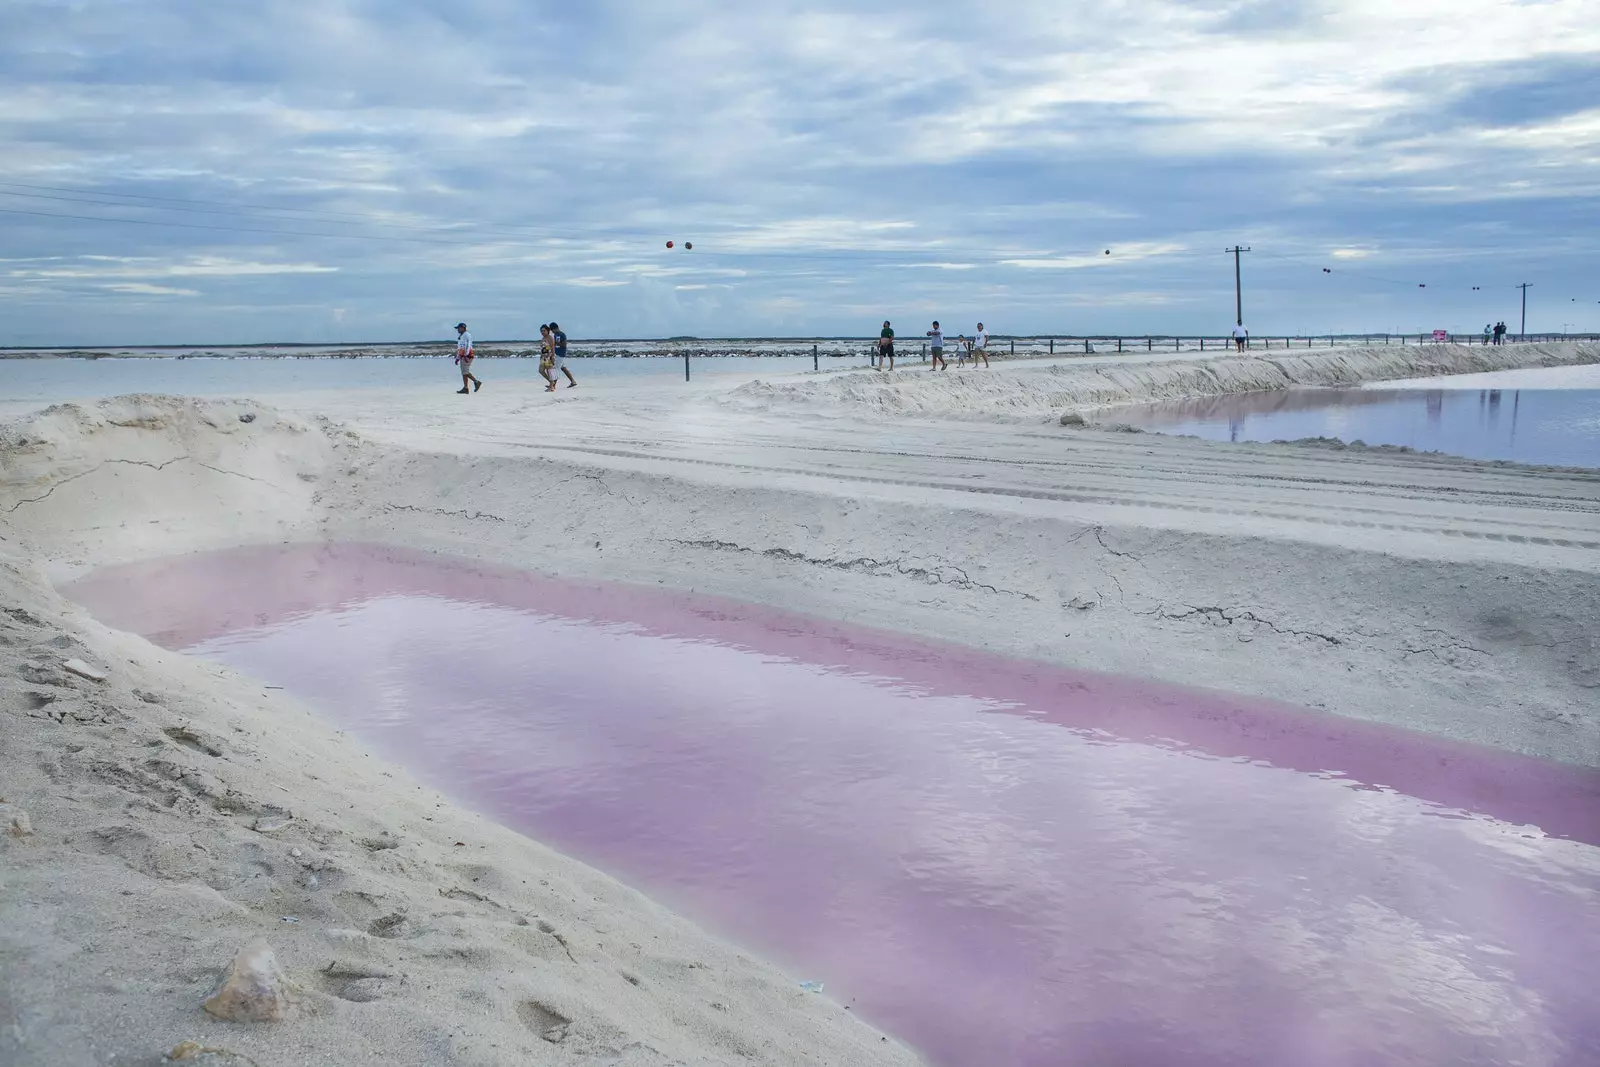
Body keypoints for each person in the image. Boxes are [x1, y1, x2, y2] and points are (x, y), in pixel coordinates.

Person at [454, 322, 481, 393]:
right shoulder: (461, 336)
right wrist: (457, 358)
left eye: (459, 328)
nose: (457, 330)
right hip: (462, 355)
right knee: (463, 372)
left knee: (465, 371)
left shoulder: (467, 335)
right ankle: (465, 388)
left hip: (467, 355)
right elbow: (460, 348)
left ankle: (476, 382)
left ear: (463, 328)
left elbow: (468, 345)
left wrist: (466, 355)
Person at [549, 321, 576, 388]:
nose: (552, 332)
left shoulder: (562, 334)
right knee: (563, 368)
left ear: (555, 328)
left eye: (552, 330)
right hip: (556, 353)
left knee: (555, 369)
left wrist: (555, 344)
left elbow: (564, 345)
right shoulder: (555, 335)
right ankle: (573, 381)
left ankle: (553, 385)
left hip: (560, 354)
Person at [538, 324, 558, 391]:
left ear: (548, 331)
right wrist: (541, 356)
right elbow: (543, 348)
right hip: (543, 357)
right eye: (541, 331)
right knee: (541, 370)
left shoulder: (550, 338)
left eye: (544, 331)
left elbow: (552, 348)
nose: (542, 332)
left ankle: (551, 386)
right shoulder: (543, 338)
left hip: (549, 356)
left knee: (550, 371)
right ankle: (551, 383)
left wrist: (552, 357)